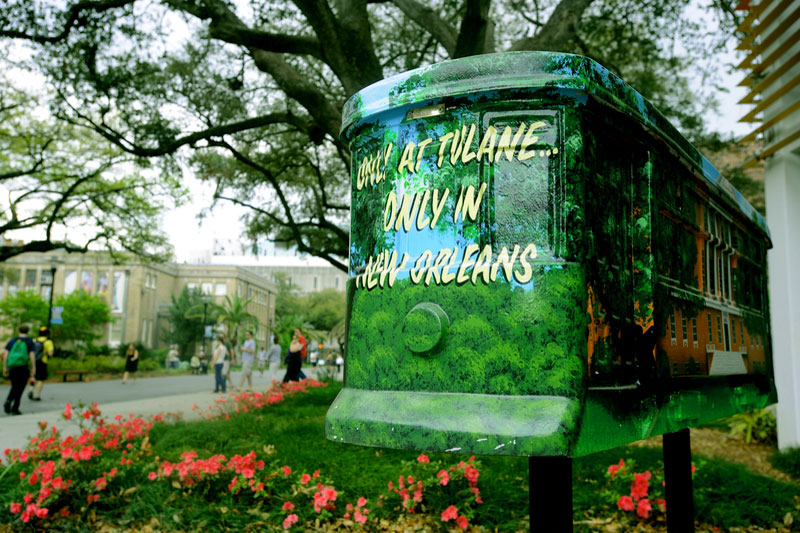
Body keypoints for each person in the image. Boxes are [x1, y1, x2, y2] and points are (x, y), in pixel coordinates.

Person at [3, 325, 36, 415]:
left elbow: (6, 354)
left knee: (14, 385)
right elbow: (32, 355)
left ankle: (9, 400)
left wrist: (5, 367)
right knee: (20, 387)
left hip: (13, 367)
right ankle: (15, 408)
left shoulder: (12, 341)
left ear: (18, 330)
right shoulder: (29, 341)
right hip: (23, 367)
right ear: (27, 331)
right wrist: (33, 367)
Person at [28, 326, 54, 402]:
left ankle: (31, 390)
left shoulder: (34, 340)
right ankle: (37, 395)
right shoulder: (48, 342)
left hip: (33, 361)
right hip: (42, 361)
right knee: (40, 379)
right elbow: (50, 353)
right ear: (47, 334)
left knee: (33, 376)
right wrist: (45, 353)